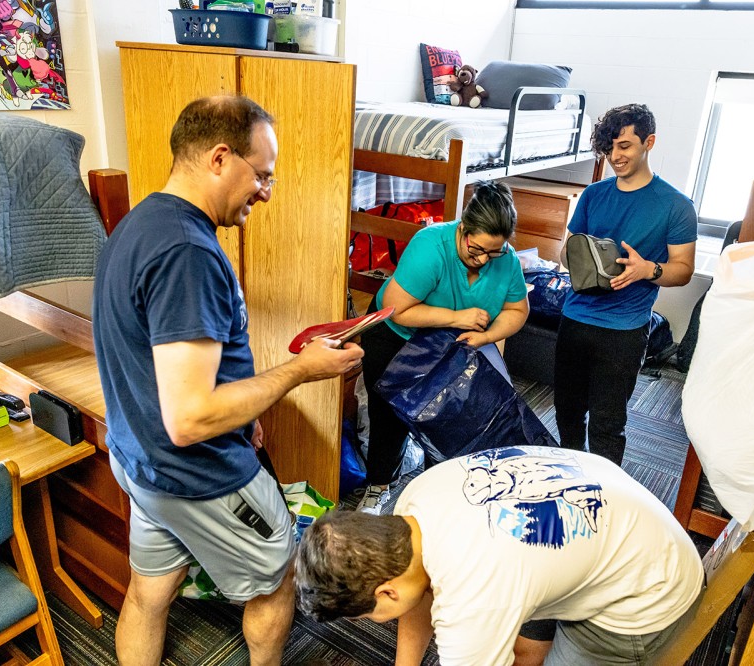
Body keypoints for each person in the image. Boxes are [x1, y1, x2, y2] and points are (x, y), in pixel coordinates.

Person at [92, 95, 364, 666]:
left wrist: (245, 413)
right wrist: (301, 370)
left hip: (139, 459)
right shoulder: (188, 252)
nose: (266, 190)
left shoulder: (141, 223)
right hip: (201, 474)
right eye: (261, 174)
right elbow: (190, 417)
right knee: (278, 581)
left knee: (150, 592)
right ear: (220, 158)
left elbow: (164, 366)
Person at [296, 445, 704, 666]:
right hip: (613, 524)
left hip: (649, 594)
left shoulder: (473, 596)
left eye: (365, 615)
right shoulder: (414, 505)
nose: (372, 619)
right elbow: (416, 596)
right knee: (520, 645)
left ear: (385, 594)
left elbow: (455, 600)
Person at [358, 181, 529, 514]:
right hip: (397, 334)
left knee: (447, 417)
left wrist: (486, 336)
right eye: (476, 249)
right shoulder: (430, 247)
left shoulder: (504, 260)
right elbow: (399, 310)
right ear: (464, 227)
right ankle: (377, 487)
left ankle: (434, 498)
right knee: (389, 419)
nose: (483, 259)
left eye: (493, 252)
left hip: (452, 341)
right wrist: (457, 317)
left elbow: (517, 310)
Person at [555, 104, 697, 467]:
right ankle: (569, 479)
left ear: (649, 142)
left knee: (607, 424)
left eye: (625, 147)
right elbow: (564, 252)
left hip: (623, 330)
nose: (615, 157)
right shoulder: (593, 195)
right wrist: (580, 258)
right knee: (567, 412)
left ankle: (605, 497)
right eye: (609, 149)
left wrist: (648, 269)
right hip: (575, 318)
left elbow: (682, 271)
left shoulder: (676, 206)